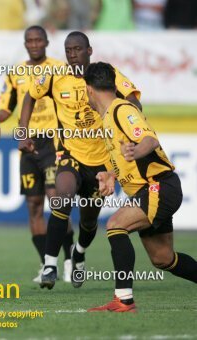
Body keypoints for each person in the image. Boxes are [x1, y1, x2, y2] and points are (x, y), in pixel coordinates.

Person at [20, 31, 142, 290]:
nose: (72, 54)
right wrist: (23, 132)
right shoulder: (54, 77)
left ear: (89, 51)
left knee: (88, 222)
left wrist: (130, 126)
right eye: (68, 49)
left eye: (77, 49)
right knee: (61, 199)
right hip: (69, 155)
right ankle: (51, 265)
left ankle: (79, 253)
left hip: (103, 163)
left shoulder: (105, 75)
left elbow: (133, 100)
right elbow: (30, 95)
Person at [84, 62, 197, 312]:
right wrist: (111, 174)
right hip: (151, 190)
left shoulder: (122, 110)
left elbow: (148, 139)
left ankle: (124, 300)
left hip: (159, 186)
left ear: (89, 90)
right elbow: (124, 155)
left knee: (115, 226)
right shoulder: (108, 118)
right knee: (163, 258)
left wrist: (137, 150)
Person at [0, 26, 74, 283]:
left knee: (57, 199)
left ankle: (70, 259)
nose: (34, 44)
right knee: (34, 205)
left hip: (54, 142)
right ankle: (46, 264)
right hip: (27, 145)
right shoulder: (16, 72)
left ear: (47, 42)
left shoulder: (60, 68)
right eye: (29, 40)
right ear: (25, 43)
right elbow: (6, 109)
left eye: (38, 39)